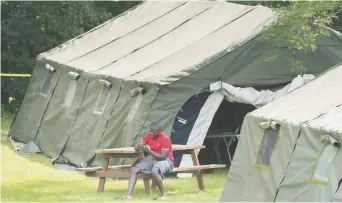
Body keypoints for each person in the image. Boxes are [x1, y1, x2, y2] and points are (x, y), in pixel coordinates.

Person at [117, 121, 174, 200]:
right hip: (152, 159)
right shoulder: (148, 136)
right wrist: (138, 146)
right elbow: (136, 147)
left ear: (159, 131)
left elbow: (162, 157)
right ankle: (129, 195)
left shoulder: (165, 138)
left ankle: (163, 195)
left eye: (153, 132)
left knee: (155, 170)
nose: (151, 133)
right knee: (134, 170)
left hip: (166, 161)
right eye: (150, 131)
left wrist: (149, 151)